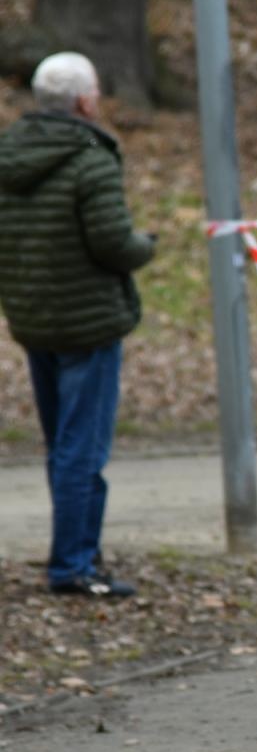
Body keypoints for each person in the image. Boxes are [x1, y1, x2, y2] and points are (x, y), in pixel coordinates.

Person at [0, 52, 155, 597]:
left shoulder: (9, 152)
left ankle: (74, 553)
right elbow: (113, 243)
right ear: (86, 101)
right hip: (87, 325)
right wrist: (146, 248)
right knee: (81, 449)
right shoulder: (91, 157)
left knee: (59, 444)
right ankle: (73, 564)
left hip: (32, 317)